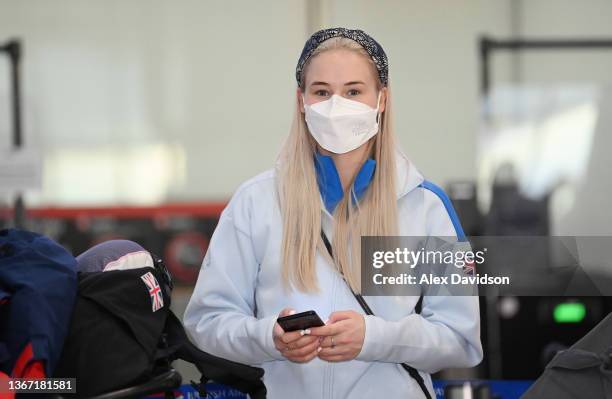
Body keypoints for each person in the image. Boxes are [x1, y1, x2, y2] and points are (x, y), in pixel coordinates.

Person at [184, 27, 483, 398]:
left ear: (382, 99)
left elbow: (460, 339)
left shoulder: (426, 206)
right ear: (301, 101)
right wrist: (268, 337)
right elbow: (206, 323)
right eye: (322, 92)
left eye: (354, 91)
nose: (336, 106)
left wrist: (374, 338)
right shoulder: (255, 202)